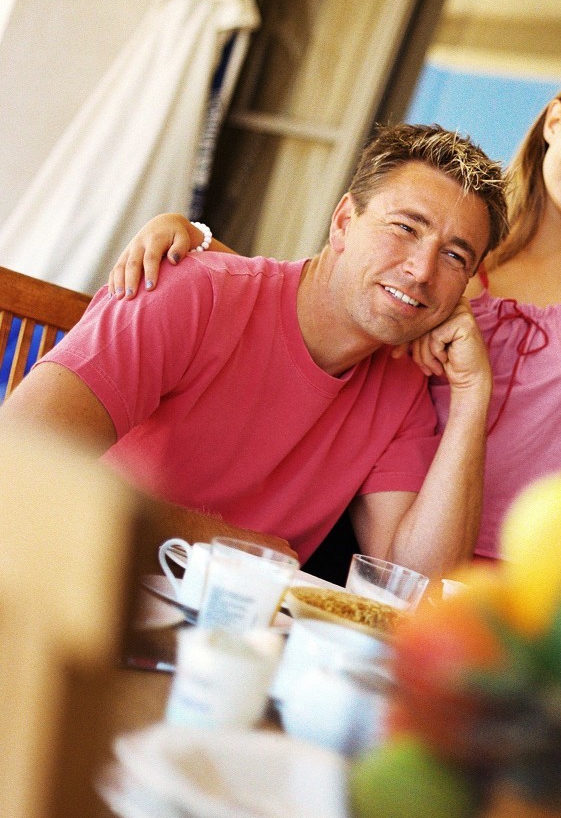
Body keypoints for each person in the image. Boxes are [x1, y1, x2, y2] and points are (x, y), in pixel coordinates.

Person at [109, 57, 561, 560]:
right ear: (555, 121)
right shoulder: (457, 240)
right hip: (387, 525)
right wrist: (191, 234)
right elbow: (331, 290)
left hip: (524, 561)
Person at [1, 124, 509, 578]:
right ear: (343, 222)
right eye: (405, 227)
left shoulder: (402, 386)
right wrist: (235, 543)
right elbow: (16, 459)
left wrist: (471, 393)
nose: (422, 270)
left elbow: (415, 583)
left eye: (453, 255)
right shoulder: (193, 292)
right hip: (63, 588)